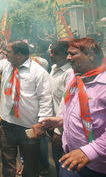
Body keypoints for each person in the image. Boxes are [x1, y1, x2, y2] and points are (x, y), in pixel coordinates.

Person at [0, 41, 53, 177]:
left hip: (29, 126)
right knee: (8, 161)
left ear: (19, 54)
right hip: (7, 124)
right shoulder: (6, 64)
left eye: (8, 51)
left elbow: (45, 99)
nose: (4, 54)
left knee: (31, 165)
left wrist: (41, 123)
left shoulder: (39, 72)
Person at [42, 38, 105, 177]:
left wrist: (89, 151)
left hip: (96, 165)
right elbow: (76, 107)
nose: (68, 57)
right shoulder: (74, 75)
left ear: (92, 55)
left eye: (73, 54)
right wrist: (61, 120)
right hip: (69, 156)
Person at [48, 40, 73, 177]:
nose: (51, 55)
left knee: (64, 160)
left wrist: (58, 130)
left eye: (55, 53)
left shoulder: (69, 73)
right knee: (57, 158)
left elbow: (65, 103)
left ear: (66, 55)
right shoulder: (54, 68)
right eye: (51, 52)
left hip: (63, 127)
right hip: (53, 123)